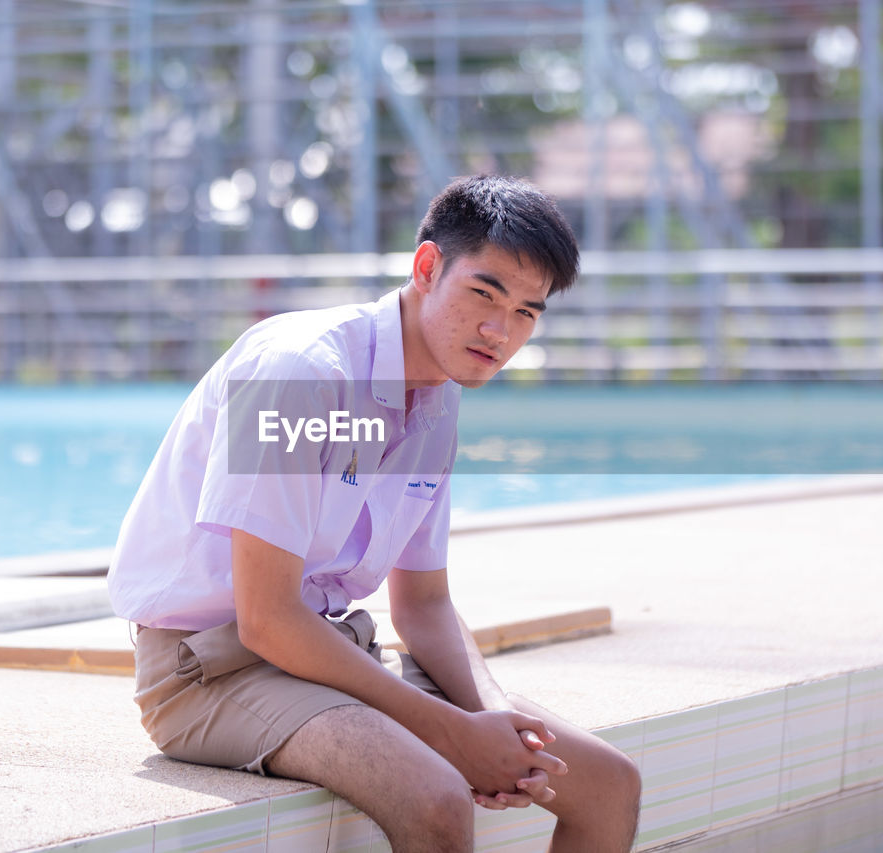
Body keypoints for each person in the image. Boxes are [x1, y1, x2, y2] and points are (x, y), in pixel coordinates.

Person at [108, 174, 641, 852]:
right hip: (210, 670)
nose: (498, 331)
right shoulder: (298, 374)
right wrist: (450, 732)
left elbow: (423, 605)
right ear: (426, 267)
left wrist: (493, 713)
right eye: (485, 292)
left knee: (608, 783)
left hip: (329, 648)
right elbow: (266, 617)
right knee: (439, 797)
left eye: (526, 313)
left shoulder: (437, 403)